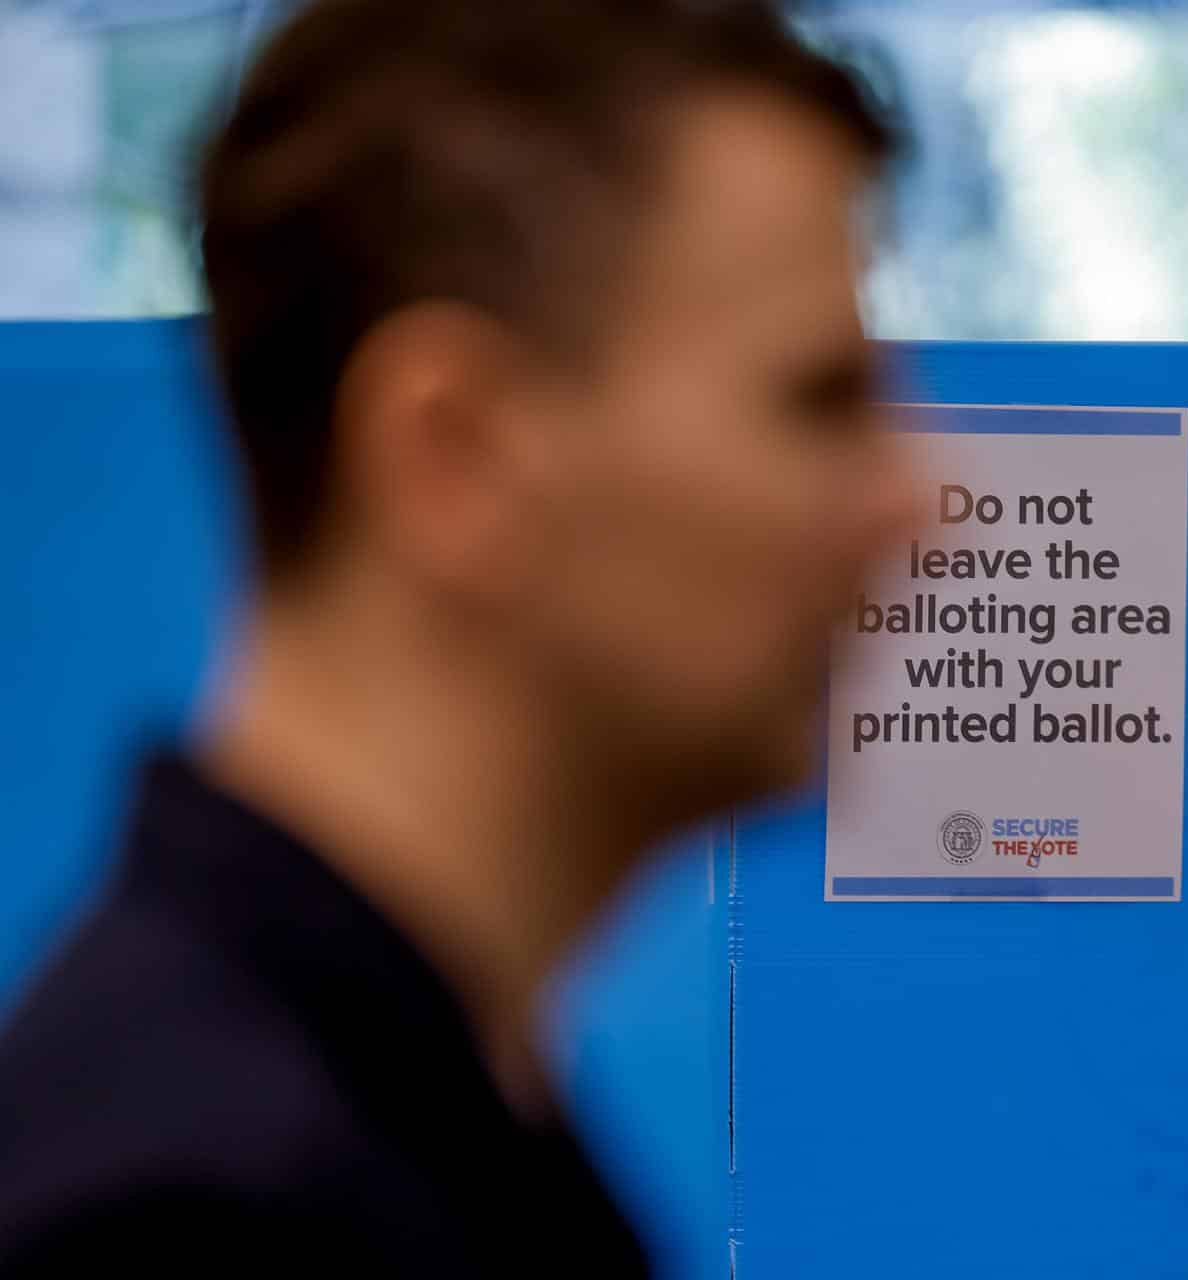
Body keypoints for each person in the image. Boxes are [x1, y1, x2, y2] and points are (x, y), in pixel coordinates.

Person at [0, 0, 913, 1270]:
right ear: (455, 453)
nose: (918, 507)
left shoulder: (420, 1116)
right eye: (820, 401)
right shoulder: (196, 1217)